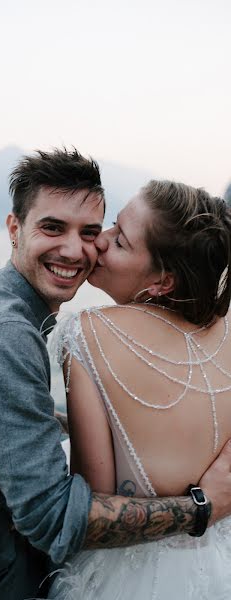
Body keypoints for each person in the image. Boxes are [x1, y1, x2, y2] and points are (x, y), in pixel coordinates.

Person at [0, 150, 231, 600]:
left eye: (93, 232)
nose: (79, 249)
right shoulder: (4, 335)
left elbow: (13, 421)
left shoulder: (6, 305)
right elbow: (52, 519)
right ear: (13, 229)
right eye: (52, 227)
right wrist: (203, 507)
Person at [49, 180, 231, 599]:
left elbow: (96, 499)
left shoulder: (87, 333)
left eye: (121, 241)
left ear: (163, 282)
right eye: (113, 224)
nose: (100, 240)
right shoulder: (225, 332)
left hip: (132, 578)